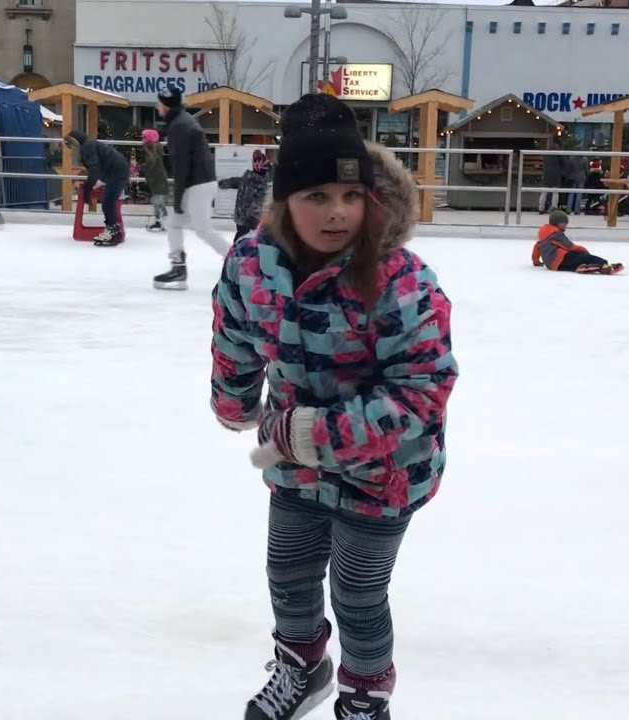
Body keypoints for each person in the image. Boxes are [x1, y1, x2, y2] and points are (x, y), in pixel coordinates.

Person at [210, 93, 459, 720]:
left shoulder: (403, 281)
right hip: (295, 466)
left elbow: (422, 391)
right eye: (316, 196)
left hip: (385, 473)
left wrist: (314, 432)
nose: (337, 212)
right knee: (287, 575)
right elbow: (235, 333)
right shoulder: (251, 264)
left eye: (351, 196)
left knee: (357, 591)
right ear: (285, 201)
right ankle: (303, 667)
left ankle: (365, 694)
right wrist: (233, 398)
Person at [153, 86, 229, 290]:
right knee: (174, 223)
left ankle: (237, 261)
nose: (156, 105)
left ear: (166, 104)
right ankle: (178, 267)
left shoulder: (180, 126)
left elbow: (181, 165)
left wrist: (177, 198)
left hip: (197, 184)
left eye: (159, 101)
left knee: (202, 229)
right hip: (198, 182)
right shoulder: (182, 122)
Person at [66, 130, 130, 246]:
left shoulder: (87, 147)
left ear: (76, 142)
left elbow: (94, 169)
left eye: (72, 145)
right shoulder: (91, 144)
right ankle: (114, 230)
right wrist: (98, 182)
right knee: (108, 201)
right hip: (118, 169)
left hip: (116, 172)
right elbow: (102, 165)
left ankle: (112, 230)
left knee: (108, 202)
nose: (73, 149)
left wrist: (88, 188)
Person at [532, 210, 622, 274]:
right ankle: (604, 264)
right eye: (564, 223)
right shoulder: (556, 234)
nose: (566, 225)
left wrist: (536, 262)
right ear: (557, 223)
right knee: (581, 256)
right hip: (560, 258)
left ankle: (581, 267)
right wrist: (585, 252)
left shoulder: (544, 235)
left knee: (573, 263)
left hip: (552, 265)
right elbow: (570, 247)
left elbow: (537, 248)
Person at [217, 149, 272, 242]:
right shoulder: (252, 179)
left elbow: (258, 201)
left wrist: (252, 217)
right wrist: (226, 183)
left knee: (246, 238)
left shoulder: (255, 180)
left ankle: (239, 252)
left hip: (248, 218)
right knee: (244, 238)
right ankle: (239, 252)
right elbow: (237, 181)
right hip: (246, 218)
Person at [138, 128, 170, 232]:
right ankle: (159, 220)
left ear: (149, 139)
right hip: (155, 178)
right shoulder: (152, 149)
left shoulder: (152, 150)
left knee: (157, 201)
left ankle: (164, 219)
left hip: (157, 179)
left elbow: (150, 164)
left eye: (143, 138)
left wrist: (138, 168)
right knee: (155, 200)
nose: (142, 140)